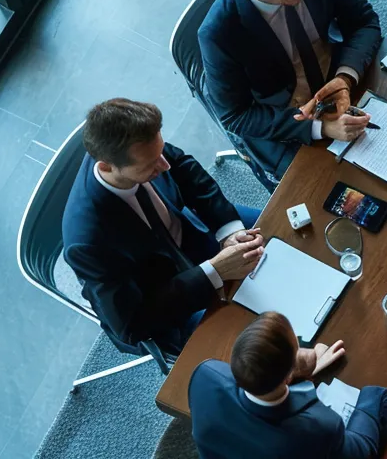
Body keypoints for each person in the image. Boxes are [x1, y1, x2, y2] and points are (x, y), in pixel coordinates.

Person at [61, 98, 268, 358]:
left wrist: (229, 231)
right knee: (254, 347)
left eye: (161, 151)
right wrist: (213, 272)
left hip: (189, 237)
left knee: (279, 232)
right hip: (163, 297)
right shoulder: (87, 242)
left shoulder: (143, 147)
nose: (165, 164)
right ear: (106, 166)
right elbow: (131, 325)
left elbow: (186, 170)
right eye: (151, 165)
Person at [199, 0, 383, 178]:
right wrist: (320, 127)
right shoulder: (218, 33)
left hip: (338, 71)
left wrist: (344, 78)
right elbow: (235, 116)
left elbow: (363, 20)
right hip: (282, 120)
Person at [189, 312, 387, 459]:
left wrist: (296, 372)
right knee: (383, 398)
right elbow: (360, 451)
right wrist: (373, 394)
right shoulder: (318, 425)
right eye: (297, 346)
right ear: (288, 376)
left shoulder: (205, 374)